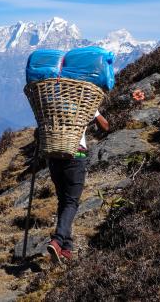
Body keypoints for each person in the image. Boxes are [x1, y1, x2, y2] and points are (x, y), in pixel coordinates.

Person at [46, 110, 110, 264]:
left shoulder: (50, 104)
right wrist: (94, 113)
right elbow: (105, 125)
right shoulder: (83, 101)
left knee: (63, 201)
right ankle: (58, 240)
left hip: (54, 158)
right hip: (75, 157)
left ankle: (66, 248)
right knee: (71, 202)